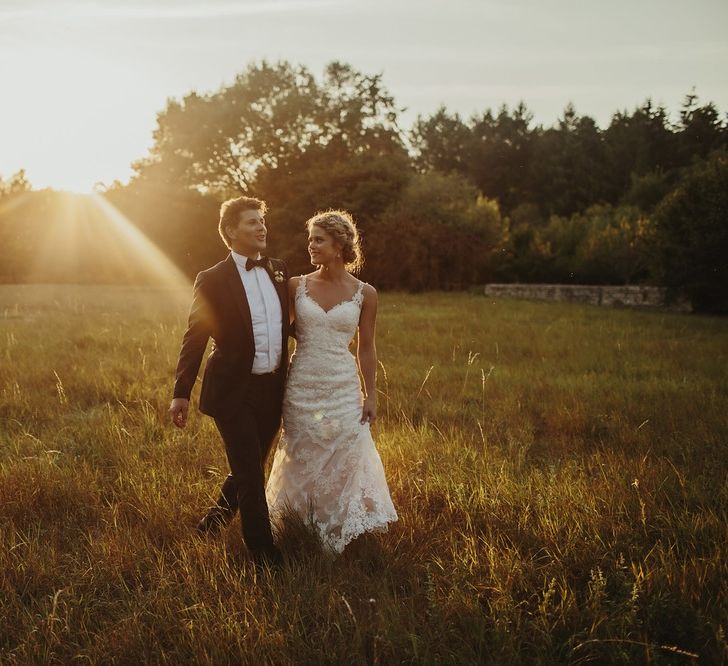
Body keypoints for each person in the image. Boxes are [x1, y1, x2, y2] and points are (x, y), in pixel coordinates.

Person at [265, 210, 397, 553]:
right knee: (301, 452)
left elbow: (366, 348)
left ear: (339, 245)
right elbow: (279, 334)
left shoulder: (366, 294)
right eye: (310, 239)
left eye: (318, 239)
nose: (310, 245)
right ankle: (296, 525)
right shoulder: (296, 285)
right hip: (302, 383)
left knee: (344, 455)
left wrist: (371, 395)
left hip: (342, 386)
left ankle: (335, 526)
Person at [169, 196, 289, 568]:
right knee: (252, 476)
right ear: (231, 231)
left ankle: (214, 521)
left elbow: (291, 324)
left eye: (262, 221)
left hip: (273, 389)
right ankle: (264, 555)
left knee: (248, 467)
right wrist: (181, 392)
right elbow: (195, 336)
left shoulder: (280, 270)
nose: (261, 227)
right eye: (253, 222)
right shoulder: (213, 278)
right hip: (233, 391)